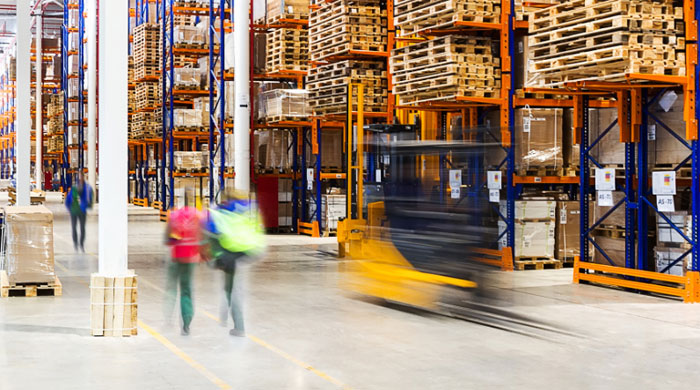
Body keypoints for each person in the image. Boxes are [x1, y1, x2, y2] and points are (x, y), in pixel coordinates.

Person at [205, 191, 265, 337]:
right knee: (231, 287)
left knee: (232, 291)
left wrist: (212, 257)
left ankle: (239, 327)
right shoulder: (247, 210)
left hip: (229, 254)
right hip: (247, 251)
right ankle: (225, 318)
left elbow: (211, 233)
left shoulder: (221, 213)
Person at [165, 197, 204, 336]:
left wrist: (176, 237)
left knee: (171, 288)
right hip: (191, 258)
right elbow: (202, 236)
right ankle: (186, 324)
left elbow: (168, 240)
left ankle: (168, 317)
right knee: (186, 291)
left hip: (177, 257)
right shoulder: (198, 216)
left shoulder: (174, 215)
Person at [64, 173, 94, 252]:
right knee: (74, 227)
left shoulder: (87, 188)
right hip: (74, 211)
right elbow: (68, 200)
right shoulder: (74, 189)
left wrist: (89, 205)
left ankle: (81, 244)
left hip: (82, 211)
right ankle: (76, 243)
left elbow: (90, 198)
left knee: (82, 228)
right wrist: (69, 208)